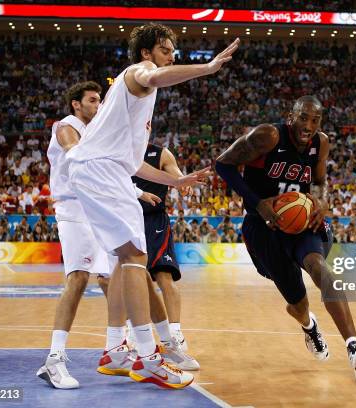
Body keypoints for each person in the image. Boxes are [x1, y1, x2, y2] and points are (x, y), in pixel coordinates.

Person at [66, 23, 238, 389]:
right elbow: (155, 75)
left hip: (100, 171)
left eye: (173, 49)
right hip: (100, 172)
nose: (171, 54)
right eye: (165, 49)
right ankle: (147, 357)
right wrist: (207, 68)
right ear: (147, 54)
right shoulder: (137, 74)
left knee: (126, 260)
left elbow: (133, 164)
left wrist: (175, 181)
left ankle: (117, 351)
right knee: (134, 260)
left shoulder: (133, 109)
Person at [216, 95, 356, 383]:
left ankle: (355, 346)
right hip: (263, 227)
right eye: (304, 117)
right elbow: (223, 165)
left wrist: (322, 201)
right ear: (291, 116)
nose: (309, 125)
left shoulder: (320, 143)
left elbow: (319, 181)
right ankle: (309, 325)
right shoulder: (268, 136)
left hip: (302, 221)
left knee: (320, 267)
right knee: (297, 302)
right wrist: (258, 202)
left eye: (315, 120)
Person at [37, 81, 112, 389]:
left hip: (96, 211)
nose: (99, 105)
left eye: (100, 101)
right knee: (79, 277)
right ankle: (54, 361)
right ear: (76, 105)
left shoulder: (95, 133)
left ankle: (118, 349)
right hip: (74, 210)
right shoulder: (66, 125)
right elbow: (72, 150)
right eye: (93, 101)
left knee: (111, 278)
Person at [129, 142, 200, 370]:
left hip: (154, 220)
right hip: (128, 219)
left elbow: (176, 176)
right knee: (133, 280)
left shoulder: (160, 153)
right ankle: (132, 335)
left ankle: (175, 334)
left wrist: (183, 184)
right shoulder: (118, 146)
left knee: (164, 277)